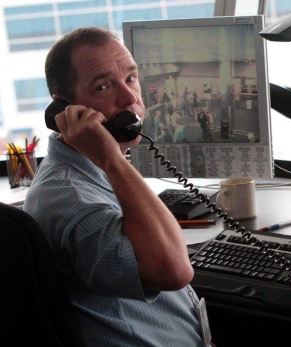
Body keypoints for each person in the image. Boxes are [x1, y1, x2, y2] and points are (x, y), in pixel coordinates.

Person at [23, 27, 210, 347]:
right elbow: (175, 271)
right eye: (103, 86)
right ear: (63, 111)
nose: (130, 98)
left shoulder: (95, 175)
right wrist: (112, 159)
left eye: (131, 78)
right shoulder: (72, 199)